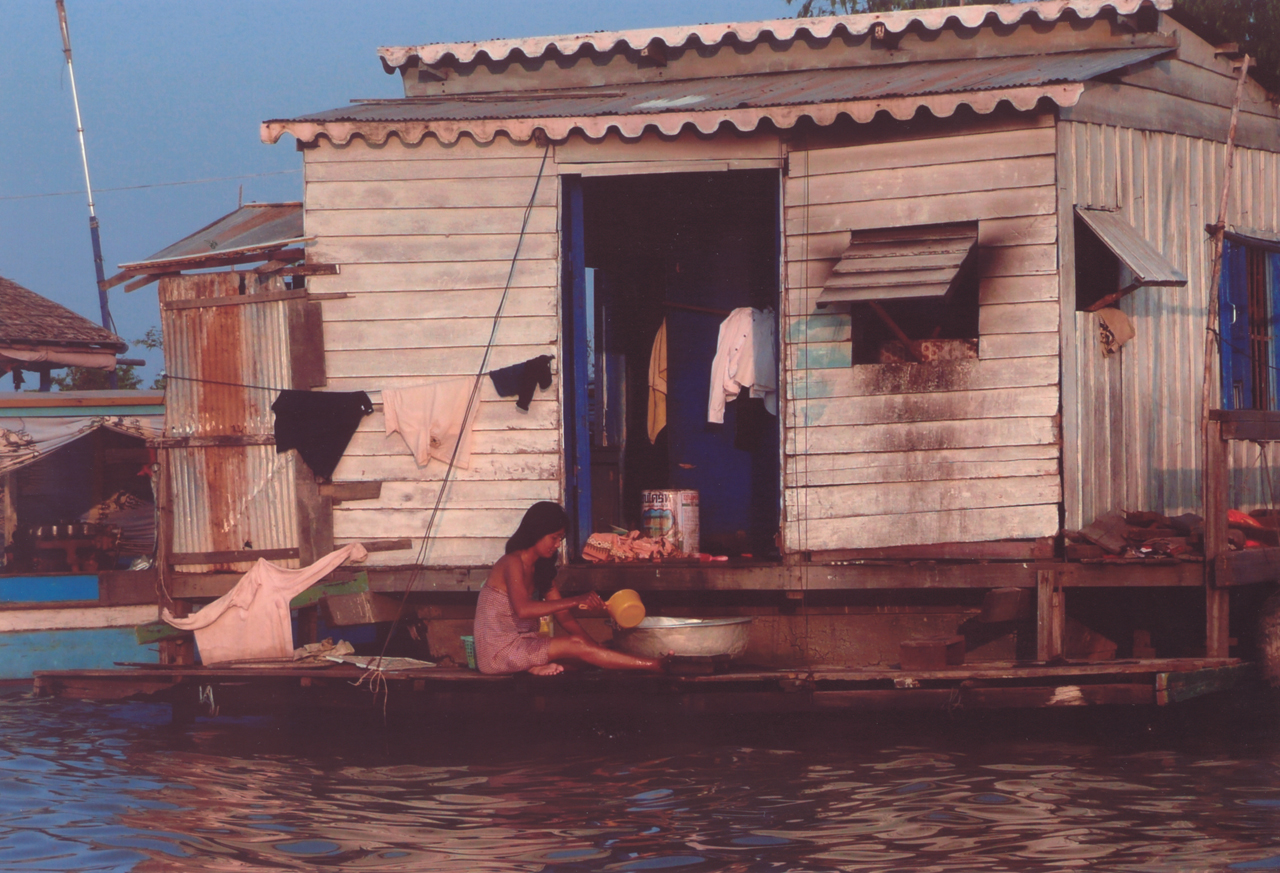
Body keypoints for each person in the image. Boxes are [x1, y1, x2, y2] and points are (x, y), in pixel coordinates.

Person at [473, 501, 665, 676]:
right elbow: (523, 610)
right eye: (554, 538)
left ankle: (534, 666)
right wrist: (576, 600)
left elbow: (564, 616)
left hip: (524, 644)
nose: (557, 545)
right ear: (536, 532)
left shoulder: (540, 566)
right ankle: (654, 665)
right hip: (498, 653)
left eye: (561, 539)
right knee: (578, 647)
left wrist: (594, 647)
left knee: (587, 656)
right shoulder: (512, 562)